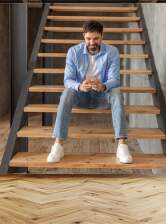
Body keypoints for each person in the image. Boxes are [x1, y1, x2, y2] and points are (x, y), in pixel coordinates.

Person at [47, 20, 133, 164]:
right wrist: (79, 86)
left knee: (117, 92)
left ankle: (122, 145)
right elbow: (67, 80)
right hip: (81, 95)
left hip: (102, 95)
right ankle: (58, 145)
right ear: (83, 37)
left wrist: (104, 86)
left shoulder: (112, 52)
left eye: (96, 38)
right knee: (67, 92)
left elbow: (115, 79)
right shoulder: (73, 52)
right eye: (88, 38)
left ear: (102, 36)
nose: (92, 42)